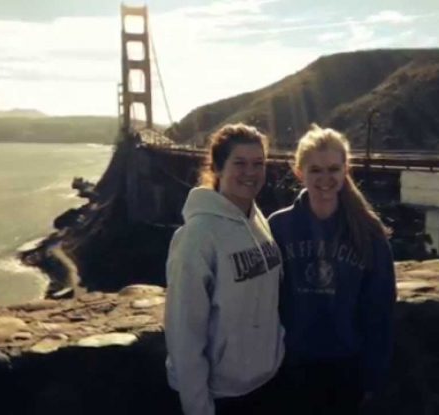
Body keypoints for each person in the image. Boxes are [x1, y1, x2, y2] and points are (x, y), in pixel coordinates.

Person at [268, 124, 397, 414]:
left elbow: (380, 309)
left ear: (345, 170)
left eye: (333, 169)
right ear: (299, 172)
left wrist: (373, 376)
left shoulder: (368, 232)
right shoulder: (278, 227)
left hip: (347, 368)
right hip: (289, 367)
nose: (325, 178)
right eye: (315, 170)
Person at [164, 123, 285, 415]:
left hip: (267, 381)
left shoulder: (258, 220)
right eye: (239, 163)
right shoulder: (197, 236)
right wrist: (198, 408)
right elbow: (183, 332)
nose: (250, 172)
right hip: (222, 395)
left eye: (258, 163)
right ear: (218, 167)